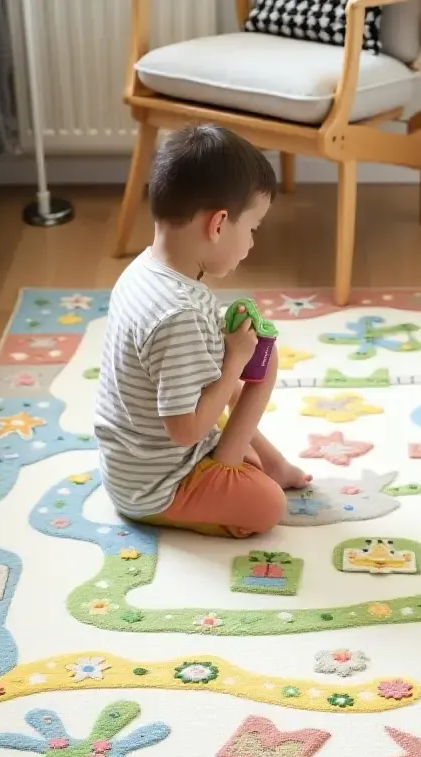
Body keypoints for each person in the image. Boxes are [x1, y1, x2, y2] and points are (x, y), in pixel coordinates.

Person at [94, 123, 310, 538]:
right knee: (268, 505)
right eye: (252, 229)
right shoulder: (177, 314)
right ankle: (202, 499)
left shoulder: (145, 269)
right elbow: (186, 432)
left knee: (250, 431)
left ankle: (271, 464)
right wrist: (234, 362)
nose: (250, 244)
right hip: (156, 485)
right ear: (218, 224)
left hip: (134, 461)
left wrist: (228, 354)